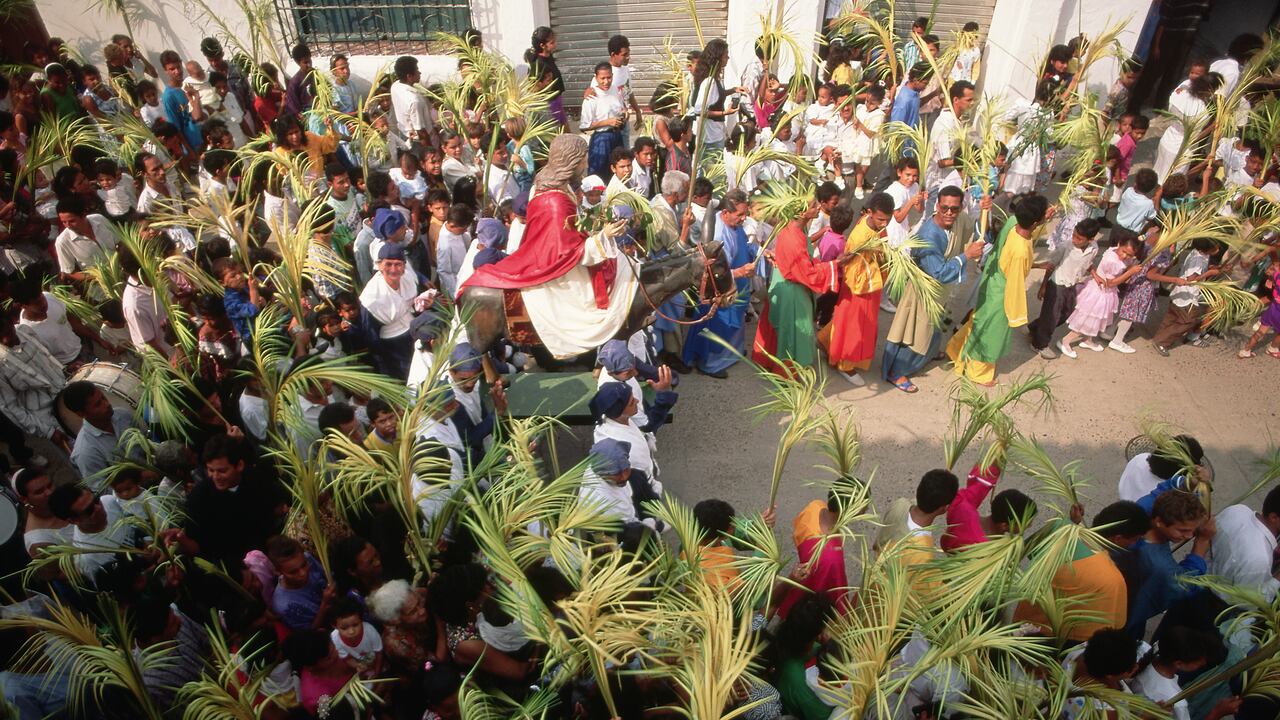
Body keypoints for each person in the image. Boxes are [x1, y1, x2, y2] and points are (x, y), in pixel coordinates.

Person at [462, 134, 635, 359]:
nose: (586, 163)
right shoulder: (555, 201)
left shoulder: (553, 184)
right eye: (582, 158)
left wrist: (599, 228)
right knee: (604, 295)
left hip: (551, 250)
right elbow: (569, 252)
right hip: (555, 263)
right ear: (571, 160)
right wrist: (604, 236)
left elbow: (572, 228)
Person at [881, 186, 985, 392]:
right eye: (945, 208)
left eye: (954, 209)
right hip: (924, 292)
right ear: (937, 206)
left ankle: (928, 353)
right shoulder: (929, 236)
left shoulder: (959, 219)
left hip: (940, 292)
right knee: (915, 331)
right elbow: (939, 273)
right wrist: (967, 256)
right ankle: (897, 371)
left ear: (960, 208)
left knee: (933, 327)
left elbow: (975, 230)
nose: (949, 213)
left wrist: (984, 211)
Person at [946, 193, 1053, 386]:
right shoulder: (1020, 251)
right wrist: (1016, 315)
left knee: (978, 322)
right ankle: (977, 373)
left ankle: (958, 353)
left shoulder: (1013, 221)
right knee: (991, 333)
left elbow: (1027, 235)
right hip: (1001, 294)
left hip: (991, 282)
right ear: (1035, 222)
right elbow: (1016, 283)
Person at [1013, 501, 1149, 642]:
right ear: (1118, 538)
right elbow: (1099, 633)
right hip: (1046, 641)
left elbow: (1028, 551)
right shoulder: (1112, 579)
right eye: (1136, 539)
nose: (1135, 544)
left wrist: (1071, 522)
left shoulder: (1060, 527)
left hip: (1022, 620)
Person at [751, 195, 842, 376]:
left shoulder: (794, 228)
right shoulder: (794, 237)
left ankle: (770, 362)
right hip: (791, 290)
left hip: (783, 281)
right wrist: (835, 265)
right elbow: (807, 272)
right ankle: (789, 375)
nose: (818, 207)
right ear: (801, 212)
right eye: (814, 205)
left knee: (781, 329)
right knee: (795, 334)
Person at [819, 192, 892, 387]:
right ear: (870, 213)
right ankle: (845, 365)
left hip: (869, 287)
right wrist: (881, 269)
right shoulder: (860, 238)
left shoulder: (873, 224)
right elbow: (853, 272)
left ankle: (827, 342)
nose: (884, 224)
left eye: (888, 219)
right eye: (881, 219)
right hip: (860, 290)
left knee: (845, 322)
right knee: (855, 327)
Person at [683, 189, 757, 378]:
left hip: (738, 288)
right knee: (718, 326)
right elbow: (714, 273)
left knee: (734, 325)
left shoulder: (734, 224)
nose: (743, 219)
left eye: (745, 214)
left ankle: (731, 353)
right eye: (739, 215)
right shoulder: (718, 235)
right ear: (725, 213)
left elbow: (743, 246)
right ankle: (710, 364)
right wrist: (740, 272)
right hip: (723, 289)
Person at [1125, 490, 1213, 639]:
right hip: (1128, 616)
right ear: (1159, 521)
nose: (1189, 536)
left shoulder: (1141, 512)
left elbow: (1154, 495)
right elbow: (1186, 585)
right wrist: (1201, 543)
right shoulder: (1160, 565)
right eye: (1183, 530)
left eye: (1193, 530)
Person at [1058, 235, 1143, 359]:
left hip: (1103, 292)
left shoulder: (1114, 251)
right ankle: (1065, 341)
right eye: (1124, 252)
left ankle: (1088, 340)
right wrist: (1130, 272)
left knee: (1096, 320)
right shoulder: (1112, 262)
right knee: (1087, 321)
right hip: (1099, 294)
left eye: (1129, 255)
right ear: (1119, 244)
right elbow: (1110, 283)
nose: (1125, 256)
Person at [1029, 217, 1100, 358]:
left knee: (1067, 313)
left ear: (1090, 239)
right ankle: (1039, 344)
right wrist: (1043, 286)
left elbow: (1088, 263)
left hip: (1072, 284)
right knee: (1052, 316)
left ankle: (1035, 327)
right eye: (1074, 235)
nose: (1074, 240)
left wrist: (1095, 274)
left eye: (1079, 238)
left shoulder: (1094, 249)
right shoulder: (1066, 246)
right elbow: (1050, 266)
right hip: (1056, 284)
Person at [0, 314, 68, 456]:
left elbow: (48, 358)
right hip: (49, 419)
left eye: (7, 332)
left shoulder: (26, 331)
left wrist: (66, 369)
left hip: (68, 395)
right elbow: (11, 408)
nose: (5, 340)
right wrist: (48, 432)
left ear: (12, 321)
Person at [61, 380, 141, 489]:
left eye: (103, 397)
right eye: (98, 404)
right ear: (81, 414)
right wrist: (138, 481)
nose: (107, 404)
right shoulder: (85, 452)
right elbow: (102, 491)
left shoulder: (123, 415)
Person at [360, 244, 421, 380]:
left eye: (398, 264)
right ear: (379, 265)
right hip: (394, 345)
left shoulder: (408, 279)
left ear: (404, 266)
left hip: (414, 330)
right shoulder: (371, 298)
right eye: (388, 264)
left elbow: (415, 304)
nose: (393, 270)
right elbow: (371, 336)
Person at [1208, 487, 1280, 601]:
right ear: (1274, 517)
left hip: (1198, 580)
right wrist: (1277, 578)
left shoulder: (1238, 509)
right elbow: (1247, 604)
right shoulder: (1260, 559)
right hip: (1214, 607)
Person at [1151, 238, 1220, 356]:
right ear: (1207, 249)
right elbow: (1190, 279)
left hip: (1179, 293)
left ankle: (1159, 337)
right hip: (1187, 296)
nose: (1218, 250)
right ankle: (1162, 341)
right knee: (1187, 321)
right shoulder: (1198, 260)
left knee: (1171, 317)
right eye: (1215, 248)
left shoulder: (1196, 253)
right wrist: (1208, 274)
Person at [581, 62, 627, 179]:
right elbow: (585, 126)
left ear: (612, 75)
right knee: (598, 176)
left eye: (609, 77)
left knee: (619, 174)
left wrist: (624, 114)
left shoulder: (615, 90)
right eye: (602, 78)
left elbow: (621, 108)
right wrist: (607, 122)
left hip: (617, 136)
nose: (606, 82)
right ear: (596, 78)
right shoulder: (591, 97)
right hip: (601, 139)